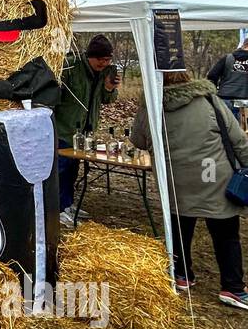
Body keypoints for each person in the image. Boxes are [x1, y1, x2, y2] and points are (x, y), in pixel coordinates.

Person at [131, 71, 248, 309]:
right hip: (213, 175)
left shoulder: (151, 105)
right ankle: (233, 287)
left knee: (180, 227)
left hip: (175, 179)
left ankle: (182, 275)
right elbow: (238, 140)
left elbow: (139, 140)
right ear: (187, 77)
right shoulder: (208, 99)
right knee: (225, 232)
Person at [53, 34, 120, 224]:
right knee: (61, 170)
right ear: (90, 56)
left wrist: (108, 88)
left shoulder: (105, 73)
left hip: (85, 131)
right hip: (64, 129)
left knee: (74, 170)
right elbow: (53, 95)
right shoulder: (70, 67)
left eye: (107, 59)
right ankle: (57, 210)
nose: (103, 63)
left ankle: (67, 204)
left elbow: (107, 100)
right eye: (100, 59)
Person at [206, 40, 248, 120]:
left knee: (227, 127)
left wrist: (214, 90)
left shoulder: (228, 57)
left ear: (243, 45)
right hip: (245, 99)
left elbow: (212, 75)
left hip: (226, 97)